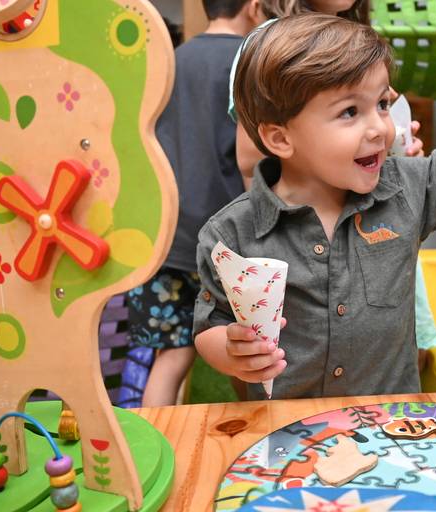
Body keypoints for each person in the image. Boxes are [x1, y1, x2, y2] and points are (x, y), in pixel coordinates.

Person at [193, 14, 436, 400]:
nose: (379, 128)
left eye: (383, 104)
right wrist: (231, 352)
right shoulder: (231, 233)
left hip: (389, 424)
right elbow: (211, 323)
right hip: (289, 429)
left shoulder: (406, 189)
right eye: (350, 112)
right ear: (281, 138)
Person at [233, 0, 436, 371]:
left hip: (374, 228)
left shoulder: (360, 41)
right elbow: (249, 155)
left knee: (391, 348)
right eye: (348, 110)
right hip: (308, 241)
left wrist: (394, 150)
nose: (376, 119)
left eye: (381, 104)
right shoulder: (273, 43)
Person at [126, 0, 266, 406]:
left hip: (169, 232)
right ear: (254, 7)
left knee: (171, 356)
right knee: (249, 354)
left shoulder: (171, 60)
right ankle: (255, 439)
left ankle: (157, 440)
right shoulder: (250, 61)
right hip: (228, 235)